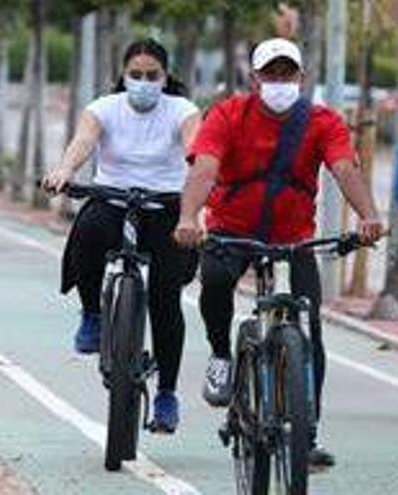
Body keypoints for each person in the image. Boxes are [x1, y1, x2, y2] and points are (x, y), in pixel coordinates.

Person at [173, 38, 385, 468]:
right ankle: (220, 354)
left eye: (288, 74)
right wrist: (189, 217)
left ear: (302, 78)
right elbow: (205, 168)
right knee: (214, 283)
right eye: (271, 74)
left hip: (294, 239)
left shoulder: (324, 121)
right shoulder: (229, 115)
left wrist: (368, 216)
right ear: (254, 79)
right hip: (232, 232)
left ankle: (305, 436)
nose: (280, 82)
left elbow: (344, 167)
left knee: (309, 326)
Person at [42, 39, 201, 433]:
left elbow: (195, 151)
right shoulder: (103, 108)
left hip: (165, 208)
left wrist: (200, 199)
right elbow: (83, 141)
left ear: (166, 78)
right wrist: (64, 170)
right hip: (112, 200)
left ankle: (166, 395)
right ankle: (93, 315)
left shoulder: (182, 111)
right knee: (89, 229)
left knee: (166, 298)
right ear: (123, 76)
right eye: (136, 75)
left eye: (153, 76)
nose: (144, 83)